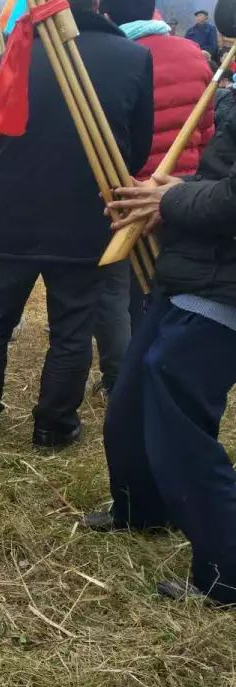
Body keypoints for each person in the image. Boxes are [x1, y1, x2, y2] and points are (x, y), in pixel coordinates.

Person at [0, 0, 153, 448]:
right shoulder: (132, 57)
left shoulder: (3, 62)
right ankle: (53, 426)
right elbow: (136, 149)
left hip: (10, 213)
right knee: (72, 328)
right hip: (84, 214)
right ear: (96, 4)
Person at [87, 126, 236, 605]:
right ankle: (142, 509)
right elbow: (221, 177)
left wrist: (169, 203)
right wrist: (162, 192)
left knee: (179, 421)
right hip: (191, 269)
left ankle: (225, 572)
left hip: (224, 285)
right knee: (130, 402)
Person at [93, 0, 214, 395]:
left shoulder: (116, 57)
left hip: (132, 189)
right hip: (186, 189)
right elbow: (208, 128)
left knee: (121, 290)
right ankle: (170, 367)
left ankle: (122, 377)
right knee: (178, 288)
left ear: (107, 12)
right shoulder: (193, 54)